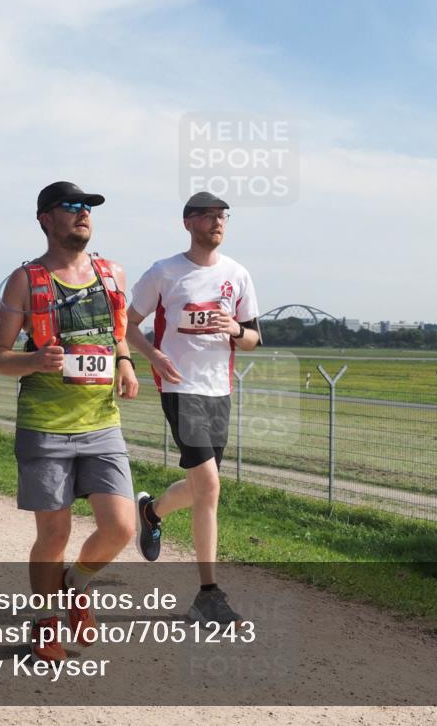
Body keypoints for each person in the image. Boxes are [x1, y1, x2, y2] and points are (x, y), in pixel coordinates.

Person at [0, 181, 139, 662]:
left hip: (101, 424)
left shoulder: (112, 274)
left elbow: (117, 336)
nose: (83, 213)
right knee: (54, 534)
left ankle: (76, 585)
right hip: (45, 427)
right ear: (45, 219)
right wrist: (33, 362)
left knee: (121, 527)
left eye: (88, 206)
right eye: (71, 206)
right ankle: (45, 621)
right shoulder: (25, 280)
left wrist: (127, 363)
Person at [126, 192, 261, 625]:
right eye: (208, 216)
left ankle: (150, 511)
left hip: (218, 390)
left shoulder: (237, 274)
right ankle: (208, 594)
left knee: (204, 486)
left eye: (223, 216)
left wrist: (236, 328)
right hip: (179, 387)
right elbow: (127, 325)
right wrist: (152, 356)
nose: (217, 222)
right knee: (210, 488)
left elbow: (254, 338)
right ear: (188, 223)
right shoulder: (164, 272)